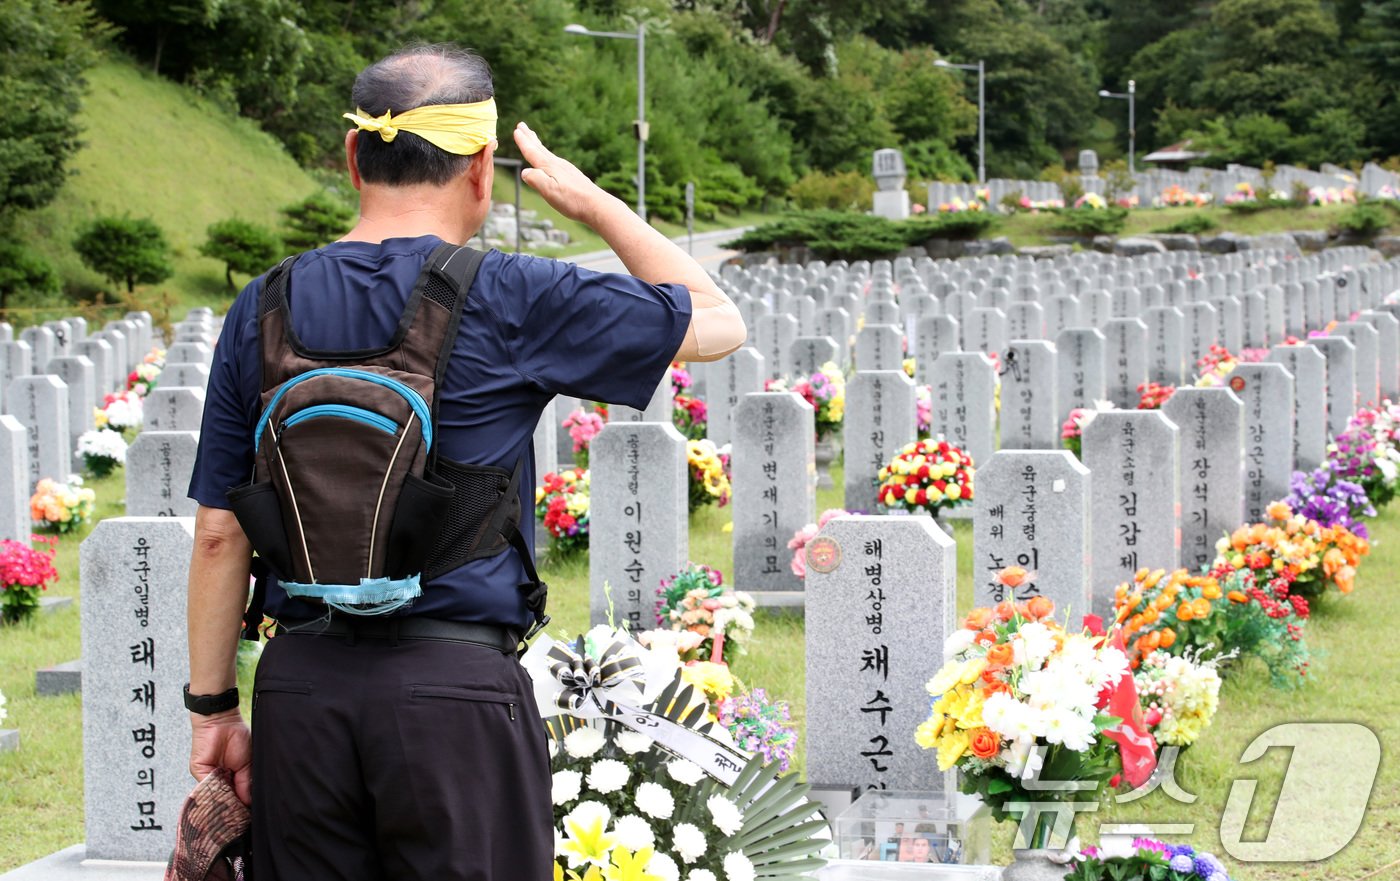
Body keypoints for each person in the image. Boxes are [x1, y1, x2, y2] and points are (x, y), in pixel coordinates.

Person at [183, 43, 745, 881]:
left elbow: (221, 534)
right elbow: (717, 321)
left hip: (300, 688)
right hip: (455, 695)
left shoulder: (261, 304)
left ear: (352, 157)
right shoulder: (514, 292)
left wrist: (214, 710)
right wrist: (593, 205)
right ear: (484, 166)